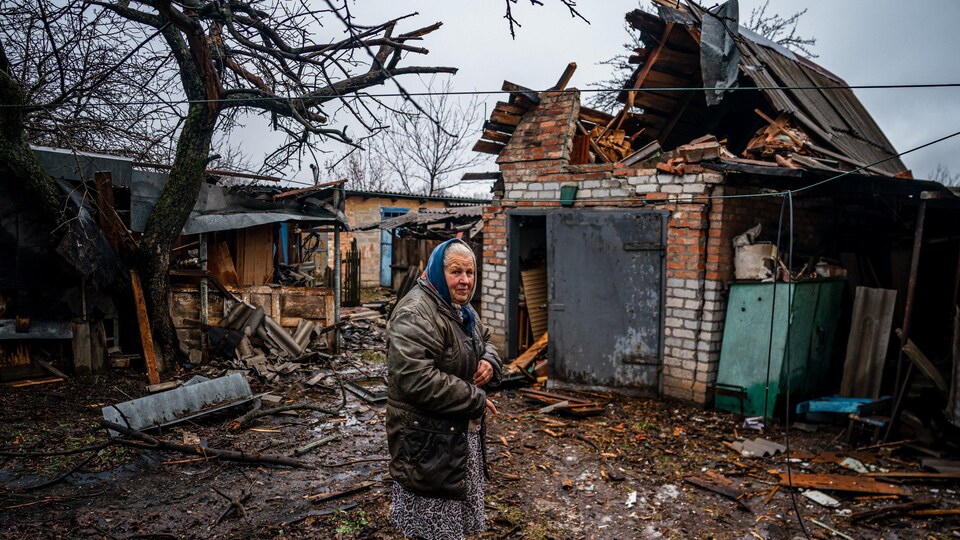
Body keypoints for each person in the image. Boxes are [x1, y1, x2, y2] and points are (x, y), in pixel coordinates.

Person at [386, 238, 503, 540]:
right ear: (438, 270)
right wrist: (474, 399)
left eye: (470, 272)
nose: (465, 280)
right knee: (433, 528)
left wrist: (489, 359)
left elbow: (486, 339)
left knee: (451, 528)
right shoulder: (416, 312)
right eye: (456, 271)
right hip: (427, 444)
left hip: (452, 439)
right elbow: (415, 379)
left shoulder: (460, 309)